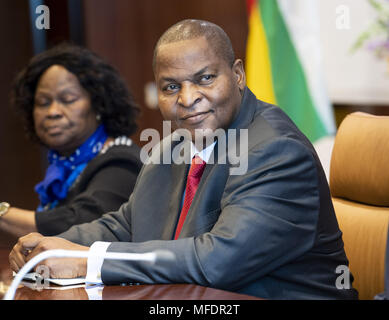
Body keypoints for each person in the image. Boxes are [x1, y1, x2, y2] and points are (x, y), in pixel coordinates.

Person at [9, 20, 358, 299]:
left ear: (237, 74)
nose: (188, 98)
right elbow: (127, 224)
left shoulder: (276, 151)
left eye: (205, 78)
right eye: (171, 87)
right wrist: (48, 250)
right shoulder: (173, 147)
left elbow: (217, 261)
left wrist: (87, 262)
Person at [0, 44, 142, 238]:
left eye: (68, 99)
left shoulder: (121, 161)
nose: (53, 112)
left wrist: (3, 215)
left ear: (99, 104)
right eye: (43, 102)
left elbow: (81, 224)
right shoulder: (63, 166)